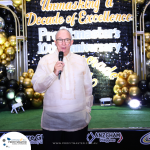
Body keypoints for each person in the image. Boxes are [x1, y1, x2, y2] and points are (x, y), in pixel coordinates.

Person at [31, 27, 93, 150]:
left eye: (66, 40)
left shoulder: (81, 61)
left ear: (72, 42)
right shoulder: (45, 60)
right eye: (60, 40)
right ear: (55, 42)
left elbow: (88, 88)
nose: (63, 43)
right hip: (52, 122)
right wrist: (53, 73)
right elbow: (37, 87)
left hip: (77, 121)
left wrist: (86, 109)